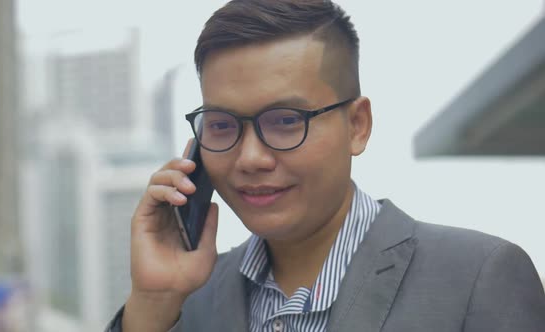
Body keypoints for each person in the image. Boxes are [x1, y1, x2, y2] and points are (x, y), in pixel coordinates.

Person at [106, 1, 545, 331]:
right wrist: (152, 303)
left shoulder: (477, 278)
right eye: (222, 126)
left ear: (358, 125)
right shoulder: (185, 302)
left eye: (285, 121)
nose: (251, 158)